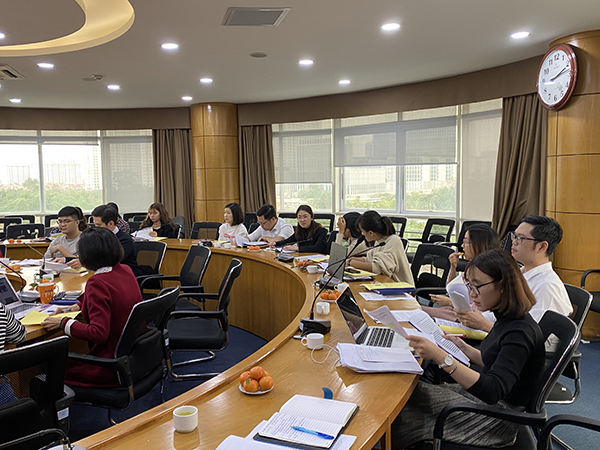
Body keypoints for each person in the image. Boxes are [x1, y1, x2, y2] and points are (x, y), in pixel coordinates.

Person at [392, 249, 545, 448]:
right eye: (470, 286)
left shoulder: (520, 332)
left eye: (477, 287)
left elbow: (492, 390)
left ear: (502, 285)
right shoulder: (507, 317)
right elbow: (497, 362)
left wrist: (442, 357)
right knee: (407, 395)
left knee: (402, 408)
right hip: (487, 404)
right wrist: (464, 348)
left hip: (497, 419)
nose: (472, 295)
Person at [42, 227, 143, 387]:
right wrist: (79, 305)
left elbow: (98, 333)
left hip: (110, 365)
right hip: (134, 356)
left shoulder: (97, 282)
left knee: (48, 370)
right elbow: (112, 298)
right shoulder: (124, 269)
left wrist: (63, 323)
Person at [456, 215, 572, 332]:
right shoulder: (520, 272)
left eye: (520, 238)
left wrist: (483, 324)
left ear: (542, 247)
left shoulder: (546, 286)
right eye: (514, 236)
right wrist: (476, 316)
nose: (514, 242)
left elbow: (530, 336)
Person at [424, 224, 501, 322]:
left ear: (477, 244)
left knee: (420, 313)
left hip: (467, 318)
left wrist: (451, 302)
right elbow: (452, 289)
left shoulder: (487, 272)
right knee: (419, 312)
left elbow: (479, 311)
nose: (462, 246)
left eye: (466, 242)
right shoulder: (472, 267)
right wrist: (453, 267)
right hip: (457, 311)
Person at [347, 210, 413, 284]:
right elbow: (369, 259)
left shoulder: (393, 240)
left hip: (401, 286)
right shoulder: (378, 241)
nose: (362, 234)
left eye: (362, 231)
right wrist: (349, 259)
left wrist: (350, 263)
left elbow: (378, 268)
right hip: (386, 283)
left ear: (370, 233)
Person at [91, 204, 141, 277]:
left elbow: (112, 261)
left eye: (98, 225)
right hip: (105, 274)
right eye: (95, 225)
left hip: (125, 276)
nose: (96, 228)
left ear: (111, 224)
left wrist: (87, 262)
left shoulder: (125, 240)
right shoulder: (98, 237)